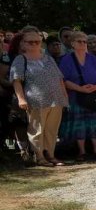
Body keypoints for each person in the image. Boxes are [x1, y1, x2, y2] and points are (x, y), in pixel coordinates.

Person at [10, 27, 68, 167]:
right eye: (30, 42)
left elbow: (59, 78)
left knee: (52, 130)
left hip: (56, 99)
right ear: (23, 44)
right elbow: (16, 80)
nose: (34, 44)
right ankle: (39, 156)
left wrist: (64, 95)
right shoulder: (20, 59)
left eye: (37, 41)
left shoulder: (48, 58)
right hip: (36, 100)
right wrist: (21, 99)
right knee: (37, 130)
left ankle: (51, 155)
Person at [59, 31, 96, 161]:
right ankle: (82, 152)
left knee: (95, 123)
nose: (83, 44)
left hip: (93, 96)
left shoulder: (94, 59)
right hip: (76, 96)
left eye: (84, 41)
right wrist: (80, 89)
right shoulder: (66, 60)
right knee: (79, 124)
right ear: (73, 44)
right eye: (79, 41)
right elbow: (63, 80)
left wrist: (95, 87)